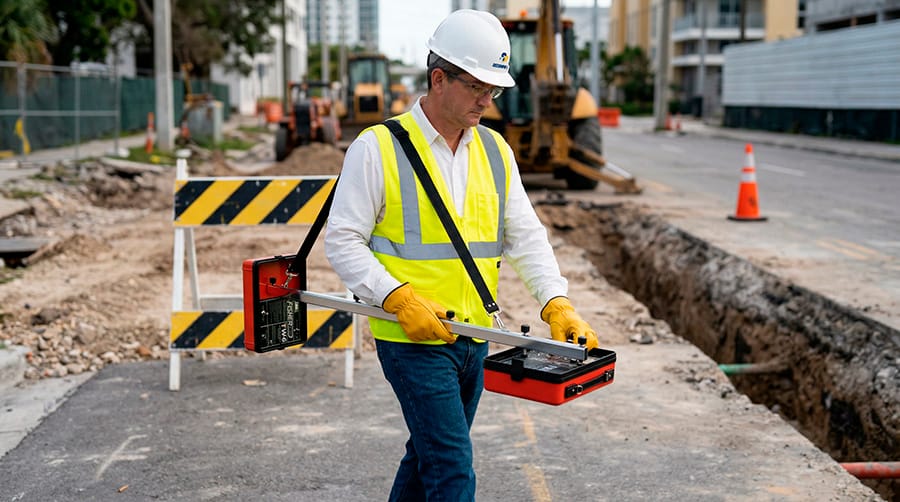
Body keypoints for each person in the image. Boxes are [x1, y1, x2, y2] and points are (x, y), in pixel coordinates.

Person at [324, 9, 599, 501]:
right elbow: (342, 240)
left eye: (493, 91)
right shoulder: (377, 148)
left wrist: (556, 302)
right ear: (438, 78)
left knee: (428, 455)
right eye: (476, 87)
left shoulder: (496, 151)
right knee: (452, 468)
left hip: (475, 337)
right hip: (412, 338)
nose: (486, 102)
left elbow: (526, 235)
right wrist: (398, 298)